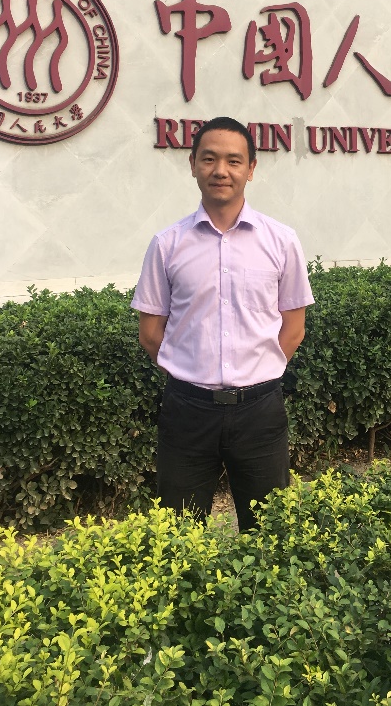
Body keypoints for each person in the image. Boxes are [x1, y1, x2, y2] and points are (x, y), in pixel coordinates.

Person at [132, 116, 314, 530]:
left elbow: (293, 327)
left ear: (251, 169)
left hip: (260, 411)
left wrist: (257, 369)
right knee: (179, 535)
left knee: (270, 532)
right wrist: (191, 370)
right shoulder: (167, 244)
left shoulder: (281, 241)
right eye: (209, 158)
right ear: (193, 164)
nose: (221, 170)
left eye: (234, 161)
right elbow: (150, 333)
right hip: (187, 410)